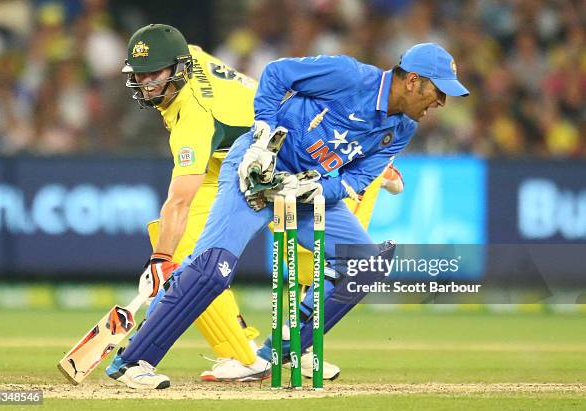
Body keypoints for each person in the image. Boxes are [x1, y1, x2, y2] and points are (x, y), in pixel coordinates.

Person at [108, 41, 469, 389]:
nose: (440, 101)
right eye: (438, 91)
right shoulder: (350, 76)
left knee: (366, 263)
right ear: (412, 80)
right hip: (257, 170)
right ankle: (132, 361)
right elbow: (277, 73)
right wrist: (263, 135)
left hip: (303, 191)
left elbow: (358, 177)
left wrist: (313, 190)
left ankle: (278, 353)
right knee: (213, 269)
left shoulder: (402, 128)